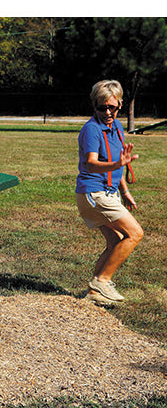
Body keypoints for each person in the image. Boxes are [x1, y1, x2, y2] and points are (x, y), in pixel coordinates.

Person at [75, 79, 142, 303]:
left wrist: (124, 191)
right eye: (101, 107)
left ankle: (94, 294)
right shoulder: (91, 129)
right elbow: (92, 163)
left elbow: (118, 162)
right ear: (94, 106)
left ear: (120, 104)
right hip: (94, 193)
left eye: (111, 107)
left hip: (106, 192)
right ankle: (102, 281)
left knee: (116, 240)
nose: (107, 112)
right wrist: (117, 165)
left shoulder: (117, 128)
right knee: (135, 234)